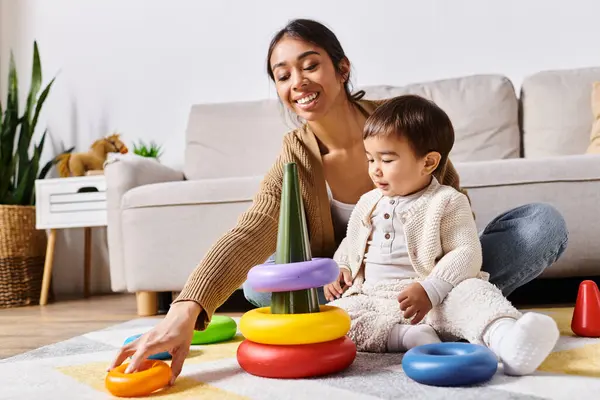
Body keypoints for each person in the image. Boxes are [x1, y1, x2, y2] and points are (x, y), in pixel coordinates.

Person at [109, 18, 568, 384]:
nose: (297, 82)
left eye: (310, 65)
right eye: (282, 74)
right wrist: (185, 310)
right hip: (353, 289)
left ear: (341, 69)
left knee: (539, 225)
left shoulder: (402, 122)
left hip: (430, 273)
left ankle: (458, 309)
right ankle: (440, 319)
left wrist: (437, 282)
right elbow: (253, 228)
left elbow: (452, 210)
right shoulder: (295, 155)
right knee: (259, 284)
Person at [323, 94, 559, 376]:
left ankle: (508, 341)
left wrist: (431, 289)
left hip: (432, 297)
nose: (374, 169)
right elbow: (352, 242)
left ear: (428, 163)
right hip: (371, 298)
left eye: (386, 159)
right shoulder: (368, 202)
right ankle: (407, 338)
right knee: (333, 318)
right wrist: (342, 267)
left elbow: (466, 252)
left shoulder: (446, 201)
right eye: (370, 158)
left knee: (474, 293)